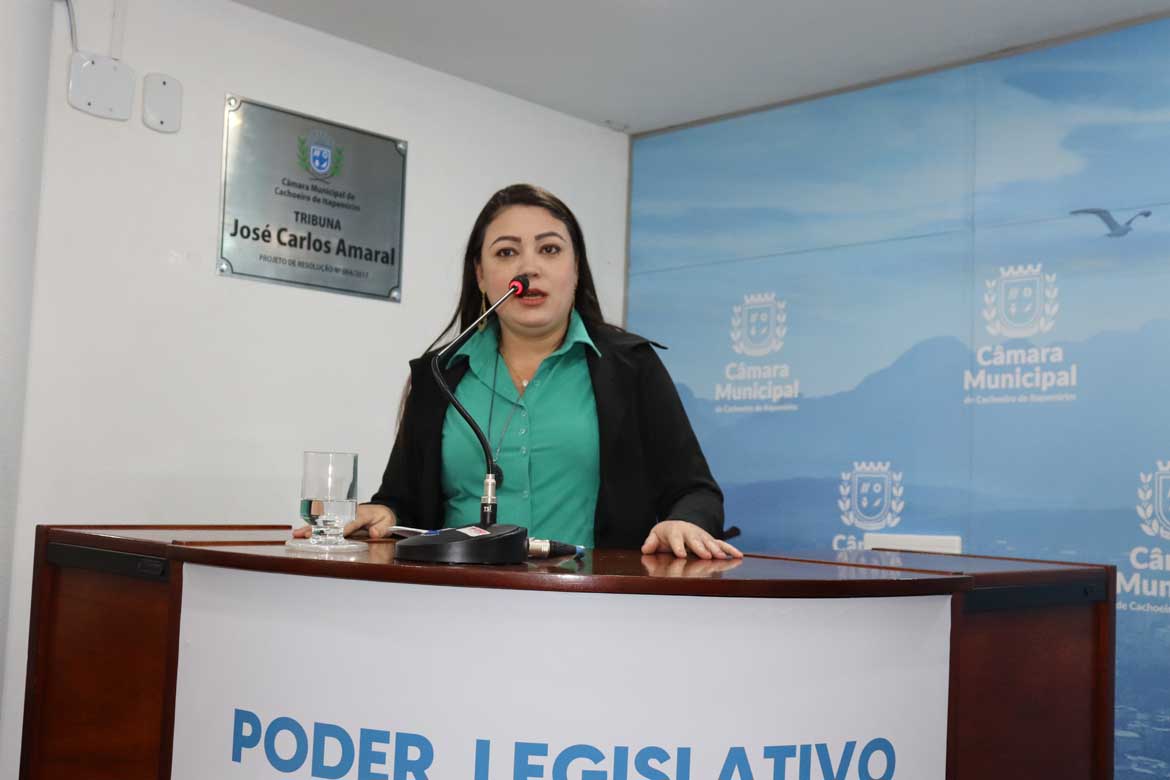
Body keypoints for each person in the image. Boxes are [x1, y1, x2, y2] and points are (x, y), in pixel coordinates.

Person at [296, 184, 740, 559]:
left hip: (596, 605)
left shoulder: (631, 367)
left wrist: (685, 522)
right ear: (480, 274)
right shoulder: (440, 375)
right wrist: (384, 513)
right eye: (507, 252)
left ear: (576, 268)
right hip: (454, 601)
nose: (529, 268)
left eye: (550, 249)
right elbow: (403, 500)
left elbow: (696, 491)